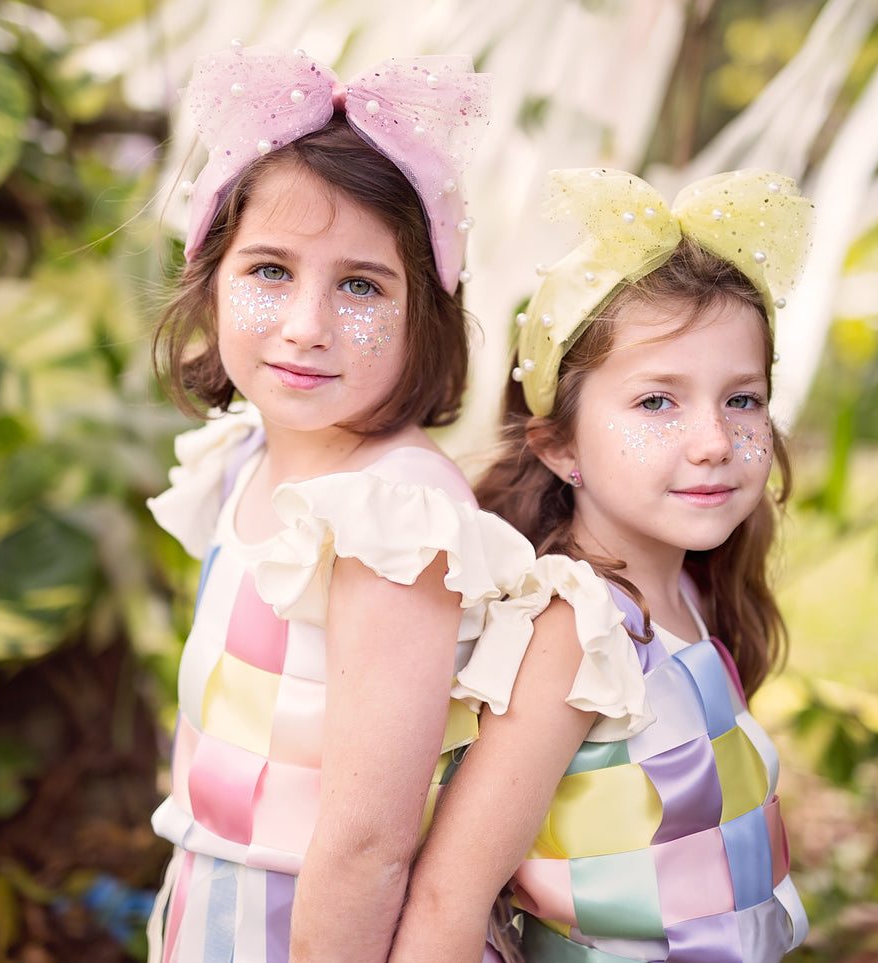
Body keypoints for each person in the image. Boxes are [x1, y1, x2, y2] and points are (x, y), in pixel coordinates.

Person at [143, 43, 535, 962]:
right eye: (269, 269)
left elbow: (368, 842)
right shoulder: (242, 456)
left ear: (422, 316)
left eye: (360, 285)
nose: (306, 325)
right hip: (216, 905)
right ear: (209, 280)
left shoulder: (389, 514)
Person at [390, 167, 815, 962]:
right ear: (559, 447)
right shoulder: (572, 630)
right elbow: (448, 898)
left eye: (741, 399)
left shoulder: (690, 590)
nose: (714, 441)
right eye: (657, 401)